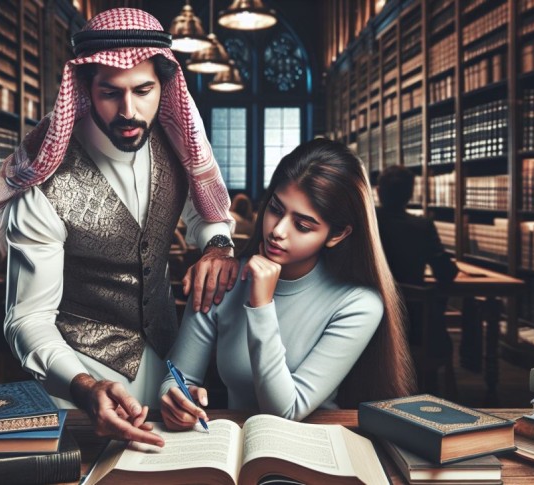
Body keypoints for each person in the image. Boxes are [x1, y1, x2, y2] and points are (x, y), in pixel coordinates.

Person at [0, 9, 241, 447]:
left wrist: (217, 245)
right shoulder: (44, 183)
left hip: (167, 366)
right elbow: (27, 319)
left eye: (143, 91)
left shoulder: (177, 143)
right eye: (111, 93)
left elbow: (206, 209)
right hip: (80, 380)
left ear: (164, 88)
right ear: (86, 89)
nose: (129, 110)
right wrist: (84, 386)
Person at [159, 138, 415, 430]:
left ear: (338, 234)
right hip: (232, 451)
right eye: (275, 209)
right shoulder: (223, 278)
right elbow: (176, 376)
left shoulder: (358, 304)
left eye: (303, 226)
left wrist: (262, 305)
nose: (278, 231)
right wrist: (175, 397)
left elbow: (285, 411)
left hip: (313, 453)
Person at [375, 165, 458, 386]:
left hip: (372, 319)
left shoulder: (367, 223)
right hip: (414, 323)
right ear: (410, 194)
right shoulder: (422, 226)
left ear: (378, 191)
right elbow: (445, 273)